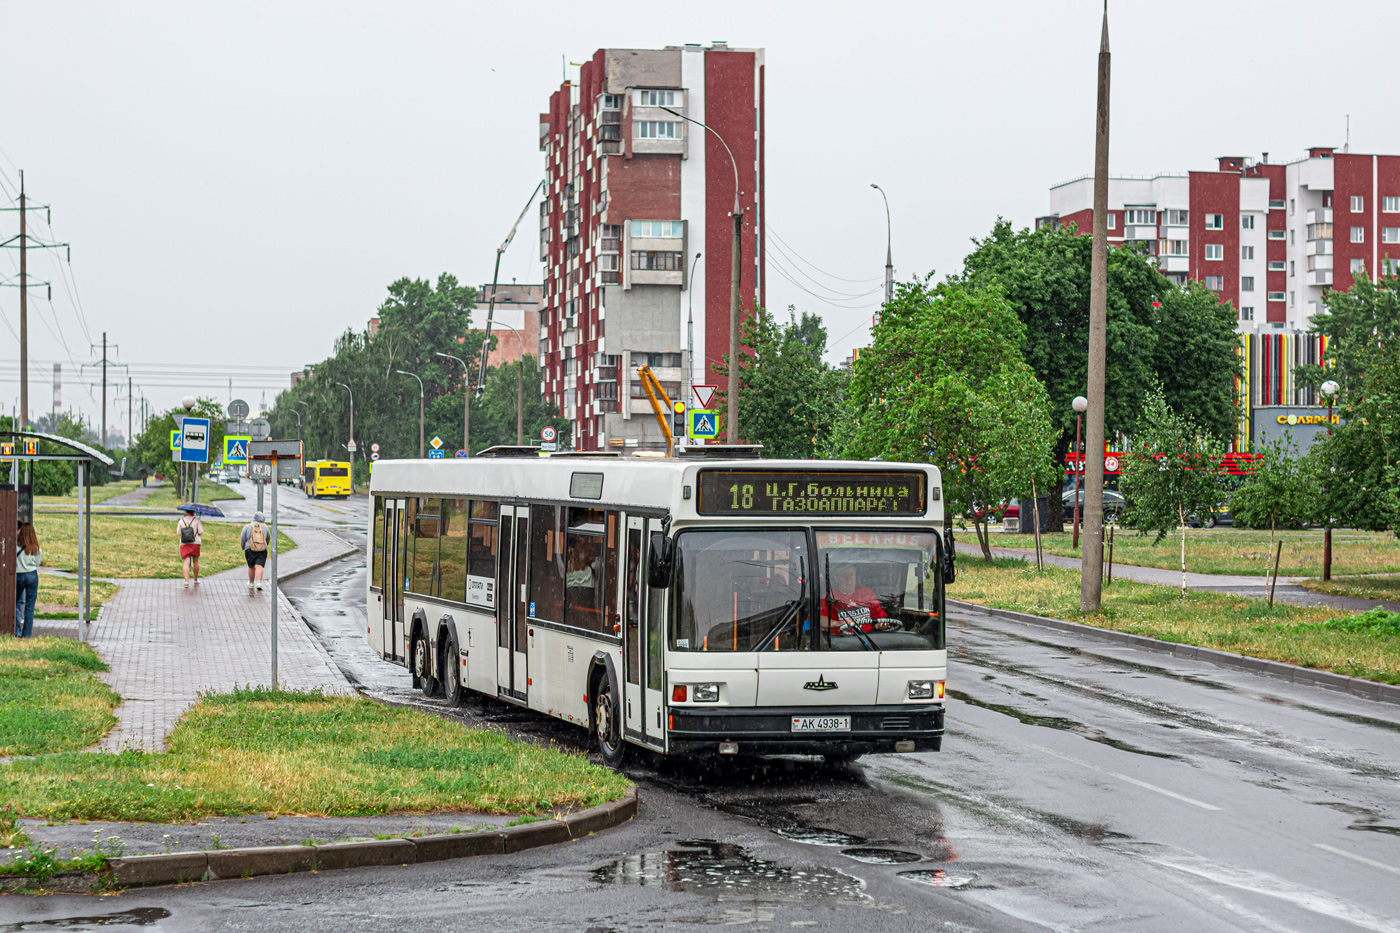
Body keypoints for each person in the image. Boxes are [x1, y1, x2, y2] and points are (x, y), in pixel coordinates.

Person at [823, 562, 898, 635]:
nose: (848, 579)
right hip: (842, 643)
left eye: (851, 575)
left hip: (868, 639)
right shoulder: (830, 596)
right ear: (836, 579)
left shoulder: (867, 592)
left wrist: (880, 625)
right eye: (844, 576)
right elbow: (819, 619)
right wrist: (837, 623)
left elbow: (881, 618)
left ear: (855, 576)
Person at [15, 522, 41, 637]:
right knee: (29, 607)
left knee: (15, 604)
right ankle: (26, 635)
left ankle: (15, 630)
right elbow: (37, 563)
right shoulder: (36, 548)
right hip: (32, 575)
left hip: (19, 575)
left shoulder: (15, 547)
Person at [241, 511, 270, 591]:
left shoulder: (247, 527)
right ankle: (259, 582)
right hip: (262, 549)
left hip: (250, 549)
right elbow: (268, 538)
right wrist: (264, 545)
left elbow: (242, 539)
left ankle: (251, 583)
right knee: (259, 565)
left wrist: (243, 547)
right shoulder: (265, 527)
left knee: (251, 566)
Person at [177, 506, 204, 588]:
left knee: (186, 562)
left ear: (186, 512)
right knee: (195, 561)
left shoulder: (181, 520)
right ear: (194, 512)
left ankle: (186, 581)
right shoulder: (197, 520)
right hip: (195, 543)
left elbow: (178, 533)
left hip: (184, 543)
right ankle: (195, 579)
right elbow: (201, 531)